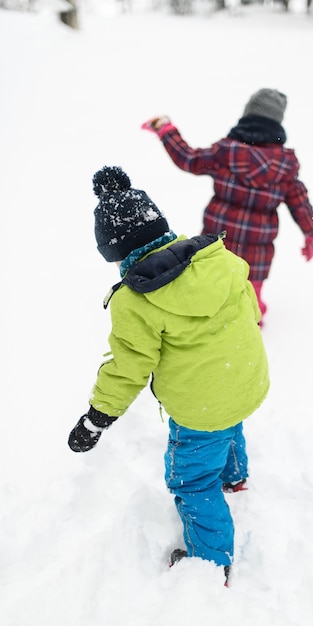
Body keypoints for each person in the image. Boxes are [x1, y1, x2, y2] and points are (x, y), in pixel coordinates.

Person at [68, 166, 269, 584]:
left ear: (116, 253)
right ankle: (235, 477)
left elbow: (128, 368)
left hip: (199, 405)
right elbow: (249, 311)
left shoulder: (137, 301)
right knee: (227, 423)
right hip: (245, 379)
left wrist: (97, 418)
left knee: (191, 480)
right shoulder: (220, 260)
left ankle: (212, 561)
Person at [141, 87, 313, 322]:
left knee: (206, 285)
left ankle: (203, 319)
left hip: (217, 242)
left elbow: (188, 158)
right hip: (257, 254)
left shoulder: (226, 153)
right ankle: (248, 323)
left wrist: (166, 130)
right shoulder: (285, 167)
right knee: (250, 297)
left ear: (247, 118)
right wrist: (312, 235)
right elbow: (301, 204)